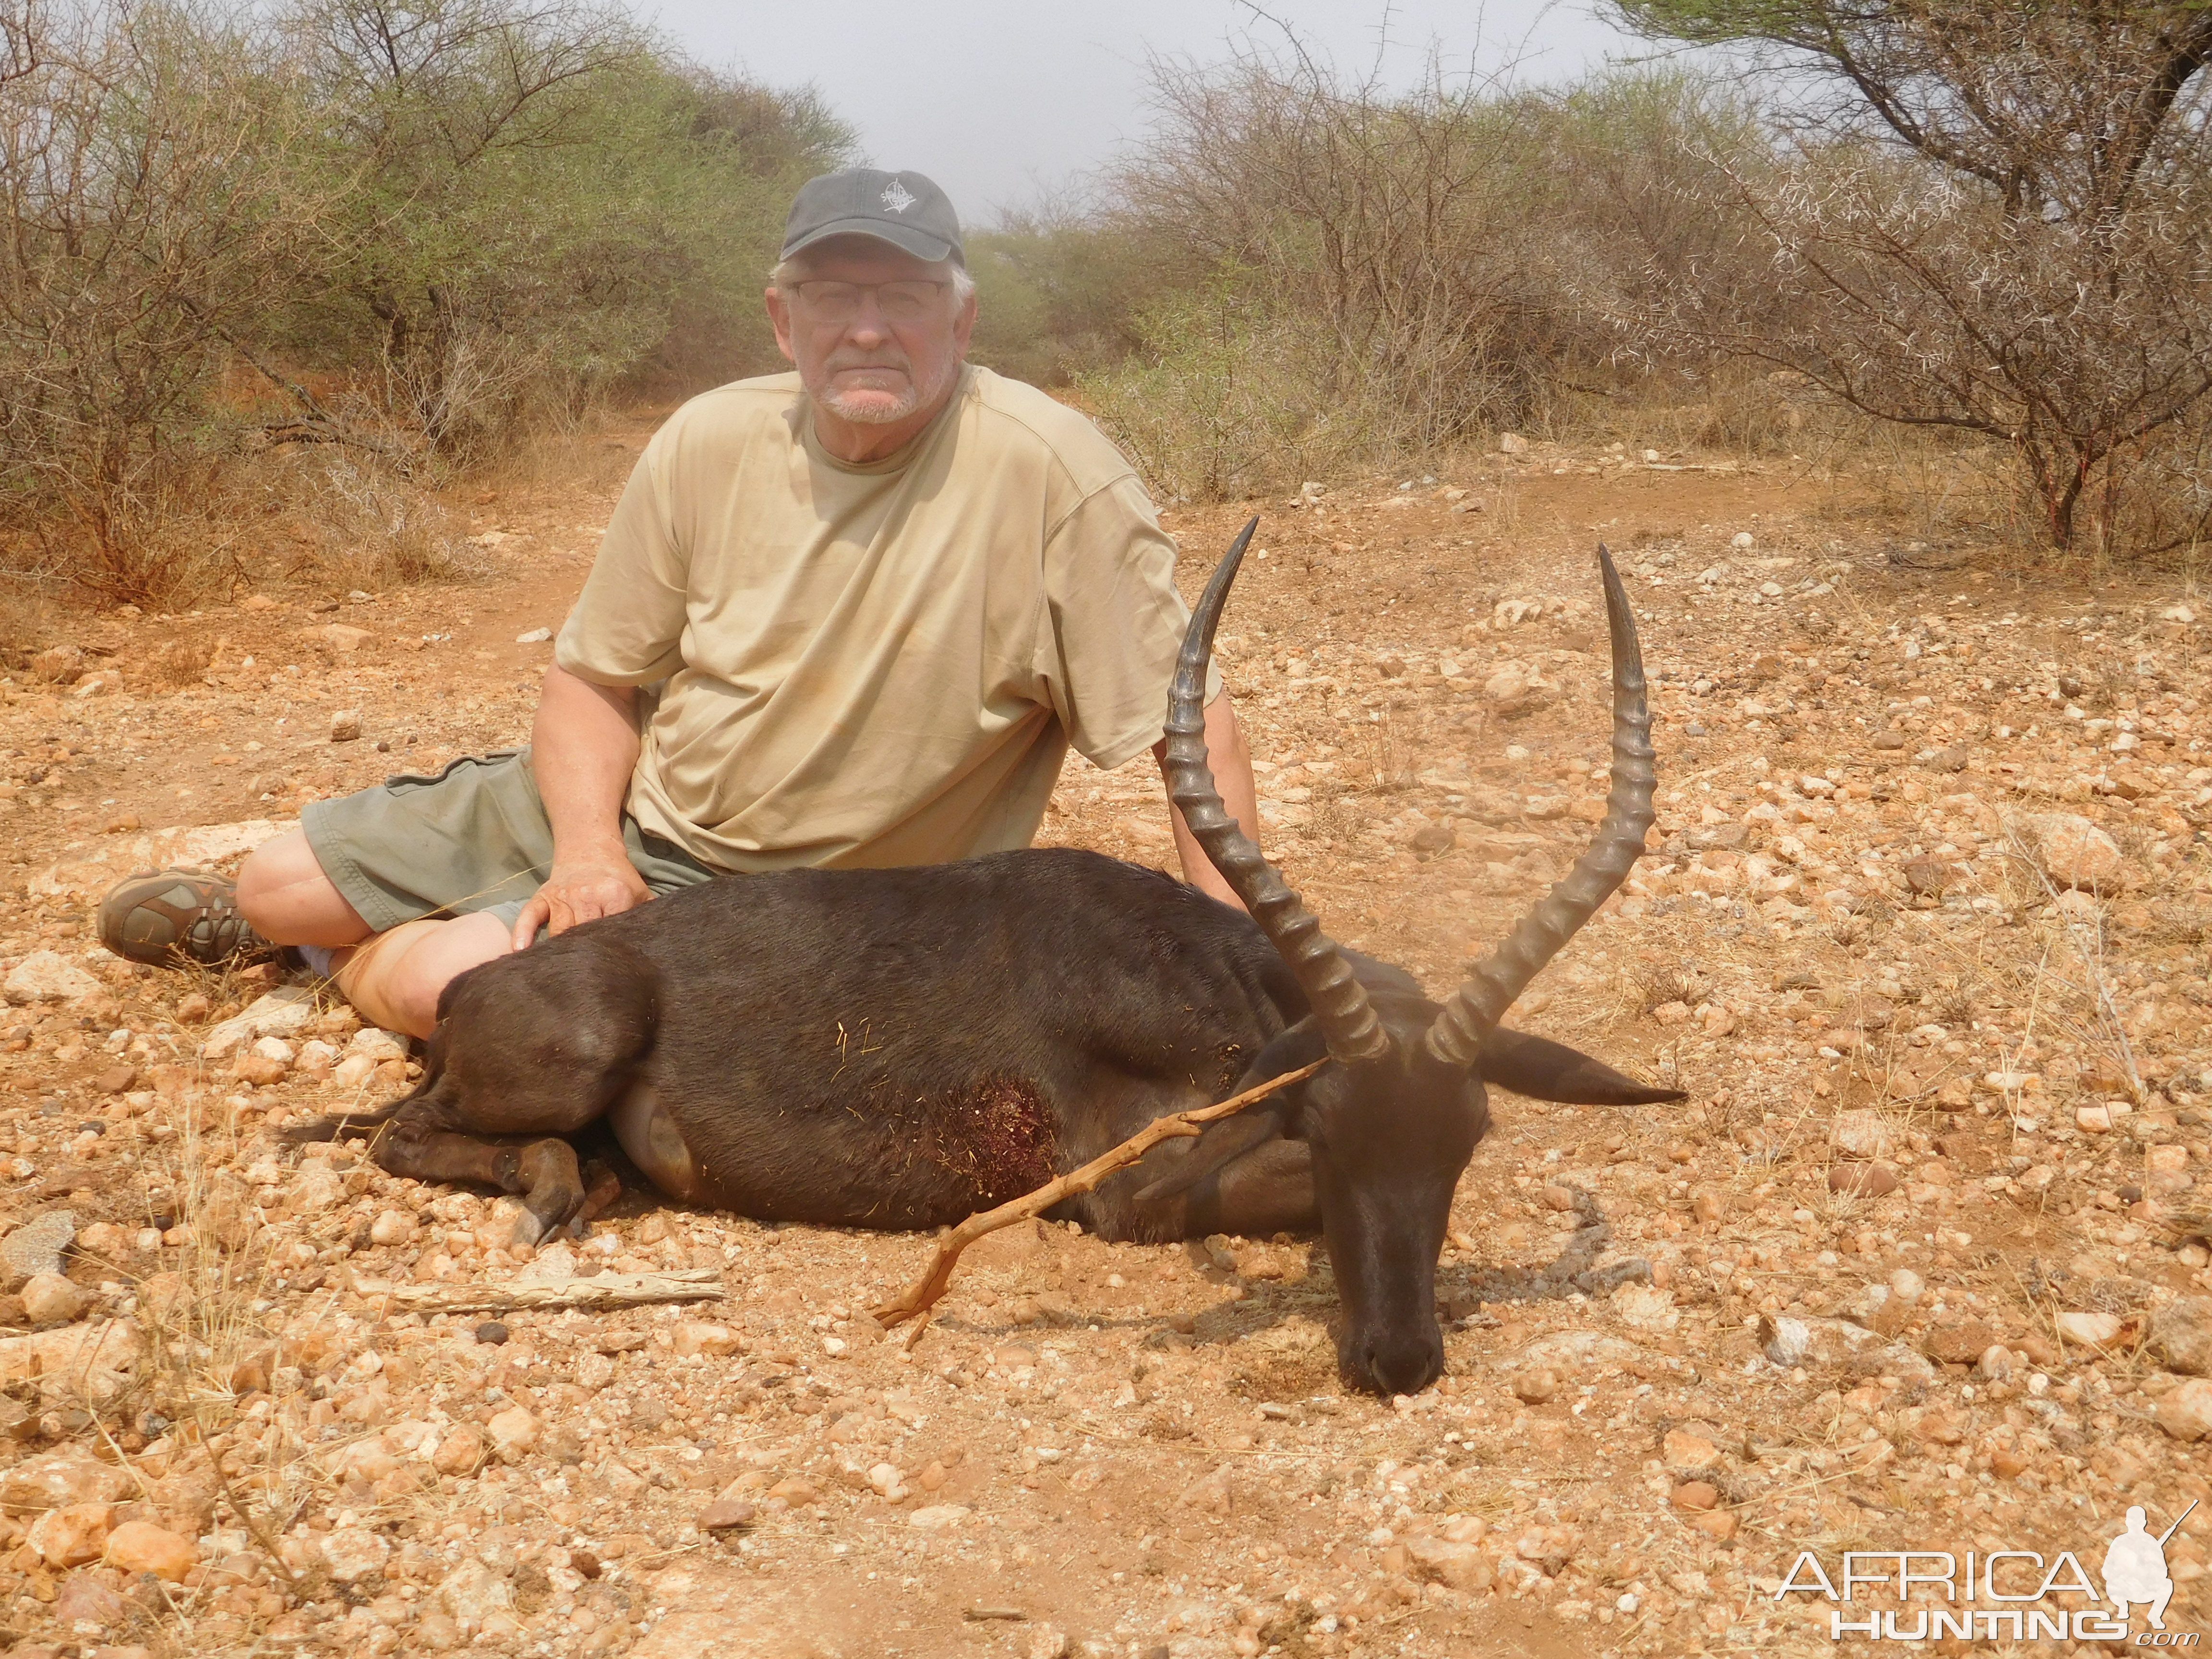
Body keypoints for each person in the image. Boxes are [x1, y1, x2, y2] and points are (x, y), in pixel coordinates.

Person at [98, 167, 1259, 1037]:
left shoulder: (1052, 470)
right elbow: (595, 675)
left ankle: (345, 960)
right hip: (631, 812)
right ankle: (311, 921)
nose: (867, 326)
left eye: (903, 296)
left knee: (451, 984)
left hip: (793, 900)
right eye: (833, 294)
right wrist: (592, 852)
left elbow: (1186, 725)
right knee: (270, 879)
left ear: (959, 321)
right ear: (779, 317)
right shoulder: (709, 436)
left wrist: (1243, 960)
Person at [2102, 1505, 2175, 1630]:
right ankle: (2123, 1607)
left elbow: (2163, 1572)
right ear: (2127, 1522)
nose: (2135, 1524)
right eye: (2132, 1521)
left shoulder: (2151, 1542)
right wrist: (2123, 1574)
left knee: (2167, 1585)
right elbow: (2106, 1569)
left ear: (2144, 1522)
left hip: (2144, 1589)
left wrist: (2149, 1566)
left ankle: (2155, 1616)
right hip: (2123, 1589)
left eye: (2139, 1521)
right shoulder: (2120, 1542)